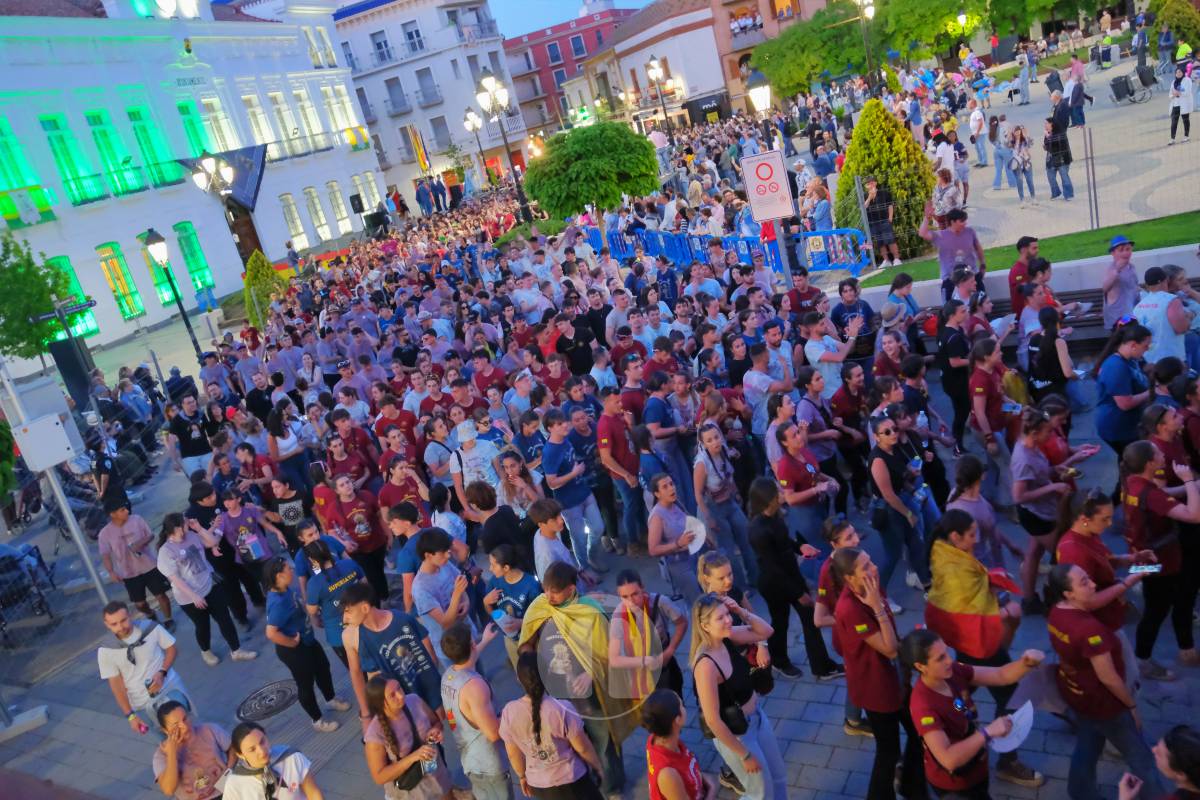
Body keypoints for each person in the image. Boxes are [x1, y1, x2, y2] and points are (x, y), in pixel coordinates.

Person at [921, 509, 1045, 786]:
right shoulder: (955, 569)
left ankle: (918, 753)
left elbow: (969, 599)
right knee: (1011, 697)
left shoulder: (945, 553)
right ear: (955, 537)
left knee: (960, 687)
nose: (976, 540)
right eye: (972, 535)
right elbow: (969, 612)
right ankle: (1007, 761)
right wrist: (1003, 613)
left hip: (968, 642)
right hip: (977, 642)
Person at [1045, 565, 1166, 799]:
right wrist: (1131, 705)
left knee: (1088, 744)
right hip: (1105, 704)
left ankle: (1080, 791)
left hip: (1077, 694)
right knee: (1141, 756)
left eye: (1088, 578)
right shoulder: (1090, 630)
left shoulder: (1056, 612)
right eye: (1084, 583)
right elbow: (1108, 677)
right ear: (1068, 594)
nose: (1093, 584)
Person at [518, 561, 635, 798]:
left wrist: (590, 673)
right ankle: (589, 782)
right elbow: (526, 642)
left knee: (603, 740)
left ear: (571, 589)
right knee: (572, 741)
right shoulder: (540, 606)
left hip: (591, 694)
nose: (548, 596)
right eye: (545, 589)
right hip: (557, 692)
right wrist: (531, 662)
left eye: (554, 591)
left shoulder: (590, 612)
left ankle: (612, 786)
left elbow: (607, 654)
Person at [900, 629, 1046, 798]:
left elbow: (1000, 675)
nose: (949, 660)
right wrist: (988, 732)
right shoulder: (923, 705)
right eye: (940, 658)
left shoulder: (952, 672)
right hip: (956, 786)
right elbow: (948, 759)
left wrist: (1026, 663)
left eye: (947, 652)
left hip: (976, 770)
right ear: (920, 666)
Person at [832, 547, 924, 800]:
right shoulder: (851, 608)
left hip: (896, 680)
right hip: (877, 689)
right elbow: (889, 649)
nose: (874, 568)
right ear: (849, 578)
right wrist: (878, 608)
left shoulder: (871, 587)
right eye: (865, 567)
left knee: (919, 732)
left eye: (871, 561)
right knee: (888, 751)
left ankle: (911, 785)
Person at [745, 476, 842, 681]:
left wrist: (800, 547)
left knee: (807, 619)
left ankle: (821, 666)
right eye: (777, 493)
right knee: (781, 621)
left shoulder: (774, 517)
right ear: (768, 500)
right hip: (776, 583)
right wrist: (798, 594)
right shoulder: (758, 530)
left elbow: (783, 541)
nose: (781, 494)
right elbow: (773, 568)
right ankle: (781, 661)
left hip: (789, 576)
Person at [690, 592, 782, 800]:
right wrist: (744, 754)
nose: (728, 620)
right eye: (720, 618)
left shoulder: (727, 637)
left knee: (778, 778)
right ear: (705, 626)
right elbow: (712, 720)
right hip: (738, 734)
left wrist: (741, 611)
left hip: (757, 718)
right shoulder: (705, 666)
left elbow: (766, 631)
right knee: (760, 793)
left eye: (727, 614)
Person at [1121, 440, 1200, 681]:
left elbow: (1161, 496)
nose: (1162, 455)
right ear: (1149, 464)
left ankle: (1179, 647)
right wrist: (1189, 481)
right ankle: (1143, 660)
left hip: (1145, 555)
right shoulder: (1150, 492)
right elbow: (1194, 515)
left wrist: (1189, 486)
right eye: (1157, 454)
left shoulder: (1132, 483)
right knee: (1157, 610)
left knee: (1159, 606)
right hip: (1161, 560)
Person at [500, 651, 605, 800]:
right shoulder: (562, 708)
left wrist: (522, 776)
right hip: (572, 781)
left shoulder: (509, 712)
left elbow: (513, 753)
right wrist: (597, 766)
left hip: (539, 784)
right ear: (547, 674)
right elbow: (582, 747)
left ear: (518, 679)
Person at [263, 556, 349, 732]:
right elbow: (271, 633)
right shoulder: (278, 602)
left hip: (307, 640)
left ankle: (330, 699)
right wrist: (291, 643)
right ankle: (317, 720)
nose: (292, 570)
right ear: (279, 576)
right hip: (295, 650)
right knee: (305, 684)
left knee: (323, 667)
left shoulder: (285, 589)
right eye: (288, 568)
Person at [156, 513, 254, 667]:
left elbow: (213, 542)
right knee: (203, 626)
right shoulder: (166, 551)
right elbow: (175, 579)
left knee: (224, 619)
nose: (189, 522)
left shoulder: (192, 536)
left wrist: (200, 529)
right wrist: (194, 596)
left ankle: (236, 650)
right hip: (189, 597)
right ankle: (205, 651)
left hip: (210, 585)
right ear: (178, 528)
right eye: (186, 522)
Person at [341, 583, 444, 725]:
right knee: (423, 734)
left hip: (431, 693)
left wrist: (433, 686)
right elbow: (366, 677)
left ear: (365, 608)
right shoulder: (354, 638)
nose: (344, 618)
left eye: (348, 611)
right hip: (401, 705)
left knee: (443, 725)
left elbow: (428, 650)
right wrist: (367, 714)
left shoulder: (403, 620)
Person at [98, 600, 192, 735]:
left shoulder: (150, 628)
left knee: (187, 733)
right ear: (107, 625)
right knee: (167, 743)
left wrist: (162, 672)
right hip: (142, 703)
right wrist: (130, 716)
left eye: (123, 620)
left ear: (130, 615)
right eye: (114, 624)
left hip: (170, 688)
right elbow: (116, 685)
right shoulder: (106, 650)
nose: (120, 627)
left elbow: (172, 649)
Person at [438, 622, 509, 800]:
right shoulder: (474, 686)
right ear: (471, 645)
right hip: (489, 765)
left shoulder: (448, 675)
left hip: (470, 761)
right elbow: (493, 733)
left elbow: (468, 660)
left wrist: (485, 640)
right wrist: (512, 713)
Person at [1011, 408, 1073, 612]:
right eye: (1048, 431)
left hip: (1041, 510)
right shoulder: (1023, 459)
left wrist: (1055, 470)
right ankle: (1056, 600)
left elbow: (1040, 473)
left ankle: (1029, 599)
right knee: (1062, 556)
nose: (1051, 434)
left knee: (1034, 553)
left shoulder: (1033, 447)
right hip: (1037, 515)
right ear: (1035, 433)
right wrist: (1053, 488)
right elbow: (1018, 496)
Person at [362, 675, 456, 799]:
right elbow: (379, 777)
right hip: (409, 792)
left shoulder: (414, 700)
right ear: (381, 704)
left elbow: (436, 722)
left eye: (399, 688)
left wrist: (436, 730)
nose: (401, 696)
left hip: (436, 774)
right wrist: (413, 757)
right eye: (392, 695)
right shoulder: (374, 735)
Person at [608, 568, 688, 700]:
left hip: (664, 665)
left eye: (635, 594)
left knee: (674, 702)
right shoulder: (618, 616)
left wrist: (670, 651)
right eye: (625, 597)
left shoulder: (660, 602)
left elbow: (682, 623)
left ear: (643, 588)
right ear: (619, 595)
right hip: (639, 671)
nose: (631, 601)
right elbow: (614, 659)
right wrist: (644, 661)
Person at [98, 502, 175, 629]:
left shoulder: (137, 520)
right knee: (140, 604)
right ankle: (150, 614)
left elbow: (150, 535)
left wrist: (139, 543)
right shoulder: (105, 533)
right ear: (113, 514)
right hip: (129, 573)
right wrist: (111, 572)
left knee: (161, 595)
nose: (127, 511)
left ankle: (168, 619)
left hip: (149, 566)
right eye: (122, 510)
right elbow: (105, 555)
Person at [642, 689, 717, 800]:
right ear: (677, 720)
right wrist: (712, 790)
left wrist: (699, 777)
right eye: (682, 705)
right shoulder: (668, 774)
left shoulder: (655, 738)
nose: (685, 707)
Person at [303, 537, 364, 668]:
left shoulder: (314, 583)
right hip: (363, 622)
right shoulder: (349, 564)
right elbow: (365, 585)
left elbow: (312, 610)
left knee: (356, 670)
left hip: (339, 634)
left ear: (312, 560)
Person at [152, 701, 231, 800]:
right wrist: (172, 753)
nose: (185, 726)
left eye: (185, 719)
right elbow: (168, 789)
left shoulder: (209, 730)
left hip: (226, 791)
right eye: (176, 725)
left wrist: (228, 769)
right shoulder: (161, 755)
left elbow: (233, 747)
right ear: (165, 730)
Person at [223, 721, 322, 799]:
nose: (262, 751)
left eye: (262, 741)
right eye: (252, 749)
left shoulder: (290, 757)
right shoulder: (234, 783)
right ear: (240, 755)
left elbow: (313, 792)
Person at [1169, 65, 1193, 144]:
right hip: (1176, 104)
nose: (1178, 73)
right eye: (1176, 72)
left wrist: (1179, 93)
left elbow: (1188, 92)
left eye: (1180, 72)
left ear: (1183, 72)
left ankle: (1186, 136)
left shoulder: (1187, 80)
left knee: (1185, 120)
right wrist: (1173, 95)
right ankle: (1172, 139)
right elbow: (1170, 94)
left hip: (1184, 104)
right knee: (1174, 121)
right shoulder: (1173, 82)